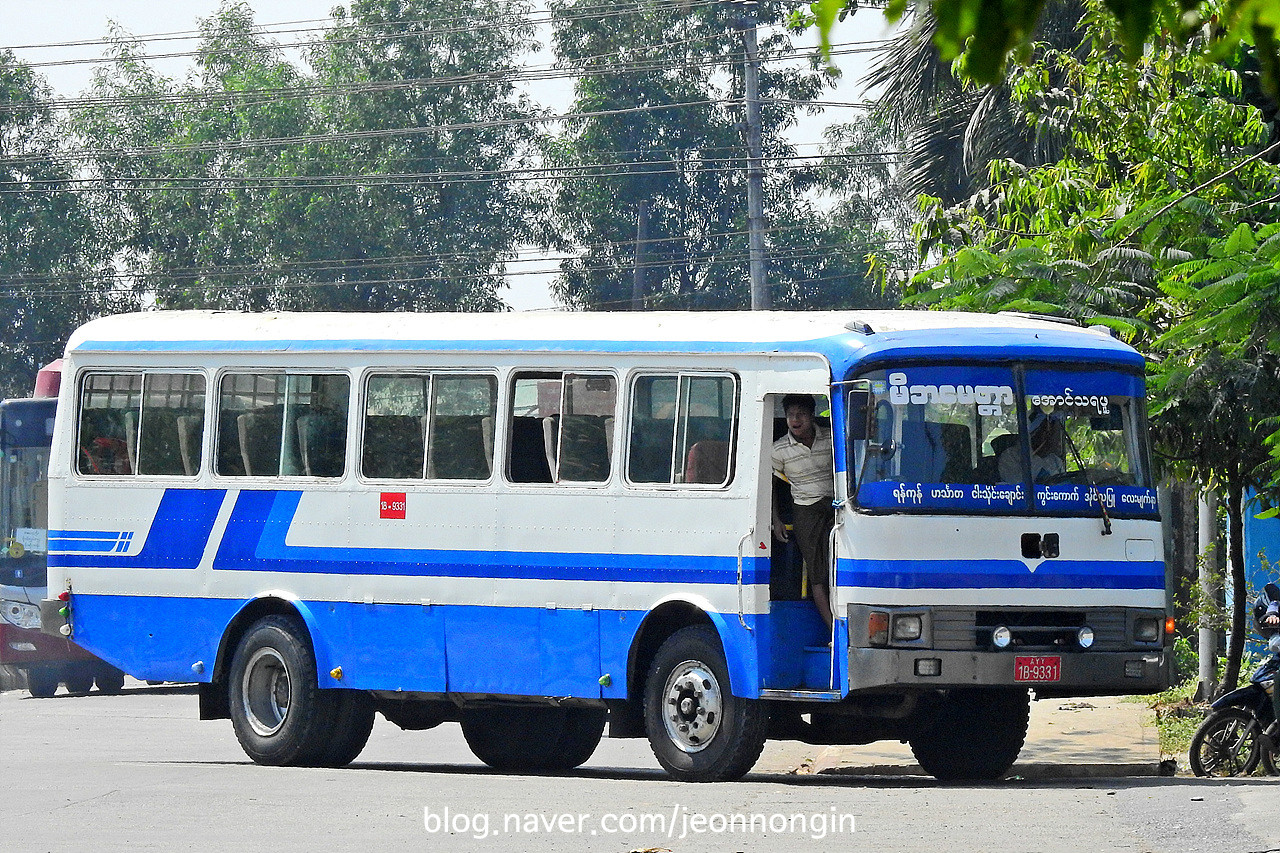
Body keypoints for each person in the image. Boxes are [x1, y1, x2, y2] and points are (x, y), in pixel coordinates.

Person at [771, 394, 834, 630]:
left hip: (837, 507)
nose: (795, 420)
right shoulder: (778, 451)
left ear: (812, 415)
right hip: (806, 511)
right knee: (817, 575)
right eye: (790, 415)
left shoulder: (832, 439)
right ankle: (833, 630)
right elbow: (771, 487)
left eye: (801, 415)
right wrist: (776, 519)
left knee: (839, 568)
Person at [998, 408, 1066, 484]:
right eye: (1049, 433)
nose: (1054, 439)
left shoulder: (1054, 460)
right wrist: (1038, 457)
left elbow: (1061, 486)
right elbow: (1018, 484)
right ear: (1034, 433)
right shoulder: (1009, 457)